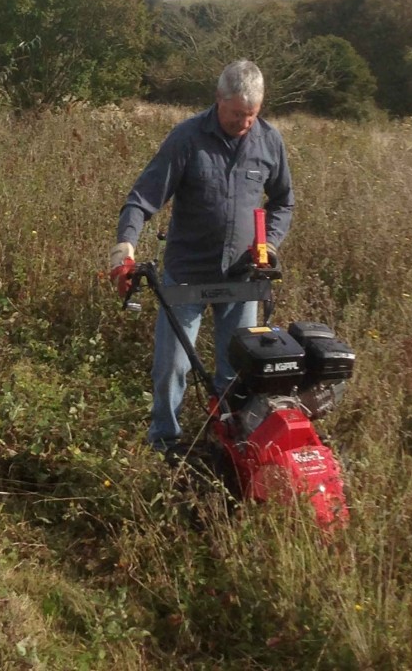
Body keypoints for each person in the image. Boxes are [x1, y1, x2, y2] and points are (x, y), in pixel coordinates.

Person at [109, 60, 294, 451]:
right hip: (188, 276)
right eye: (235, 114)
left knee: (236, 370)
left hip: (242, 279)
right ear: (218, 100)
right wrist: (124, 248)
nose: (244, 123)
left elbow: (283, 201)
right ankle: (165, 442)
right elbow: (142, 199)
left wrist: (271, 243)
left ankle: (228, 441)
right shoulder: (187, 138)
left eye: (251, 115)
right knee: (172, 368)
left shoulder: (269, 141)